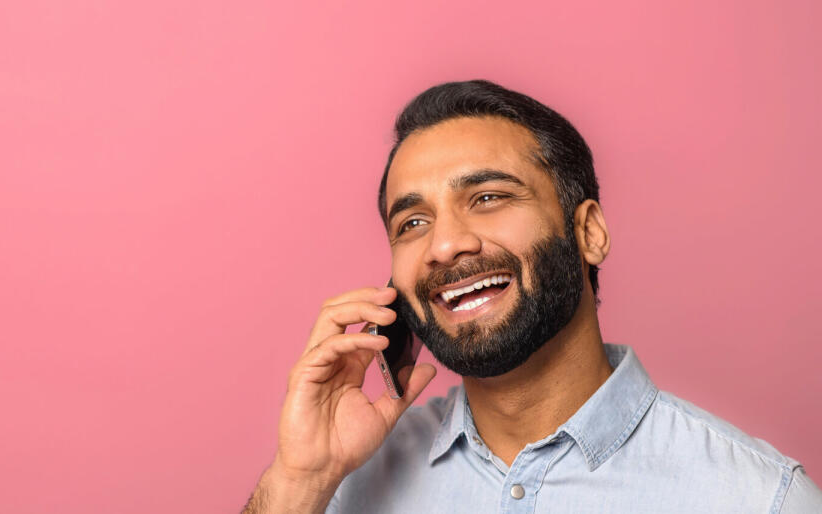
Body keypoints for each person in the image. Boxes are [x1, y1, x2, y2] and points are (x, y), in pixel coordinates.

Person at [242, 80, 822, 513]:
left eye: (489, 197)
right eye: (412, 223)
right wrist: (299, 481)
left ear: (588, 232)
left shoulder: (759, 499)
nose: (444, 245)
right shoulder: (334, 486)